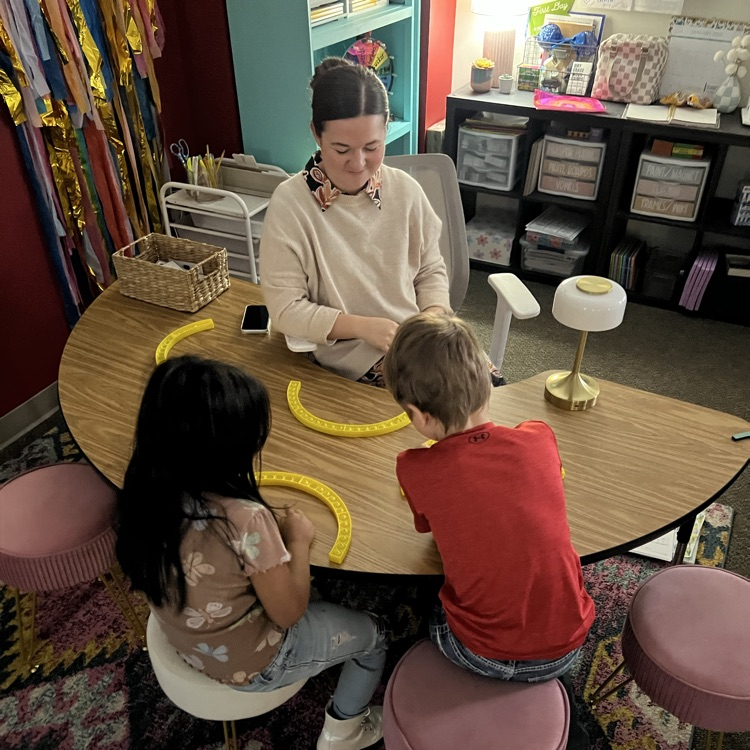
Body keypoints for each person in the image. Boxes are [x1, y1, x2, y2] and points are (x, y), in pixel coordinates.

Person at [116, 355, 387, 750]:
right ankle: (344, 731)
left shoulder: (143, 490)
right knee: (377, 634)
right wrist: (296, 540)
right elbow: (289, 612)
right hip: (255, 662)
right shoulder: (244, 520)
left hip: (186, 635)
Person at [381, 312, 595, 749]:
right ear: (488, 379)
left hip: (475, 653)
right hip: (567, 648)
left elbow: (430, 534)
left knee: (424, 598)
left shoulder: (414, 467)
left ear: (418, 417)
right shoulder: (539, 437)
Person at [259, 57, 452, 387]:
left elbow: (429, 269)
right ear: (316, 135)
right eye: (342, 149)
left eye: (372, 147)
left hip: (416, 341)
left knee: (489, 393)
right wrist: (363, 327)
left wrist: (433, 315)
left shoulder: (406, 191)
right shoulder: (290, 205)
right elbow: (287, 310)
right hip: (351, 356)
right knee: (449, 408)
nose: (358, 163)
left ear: (386, 128)